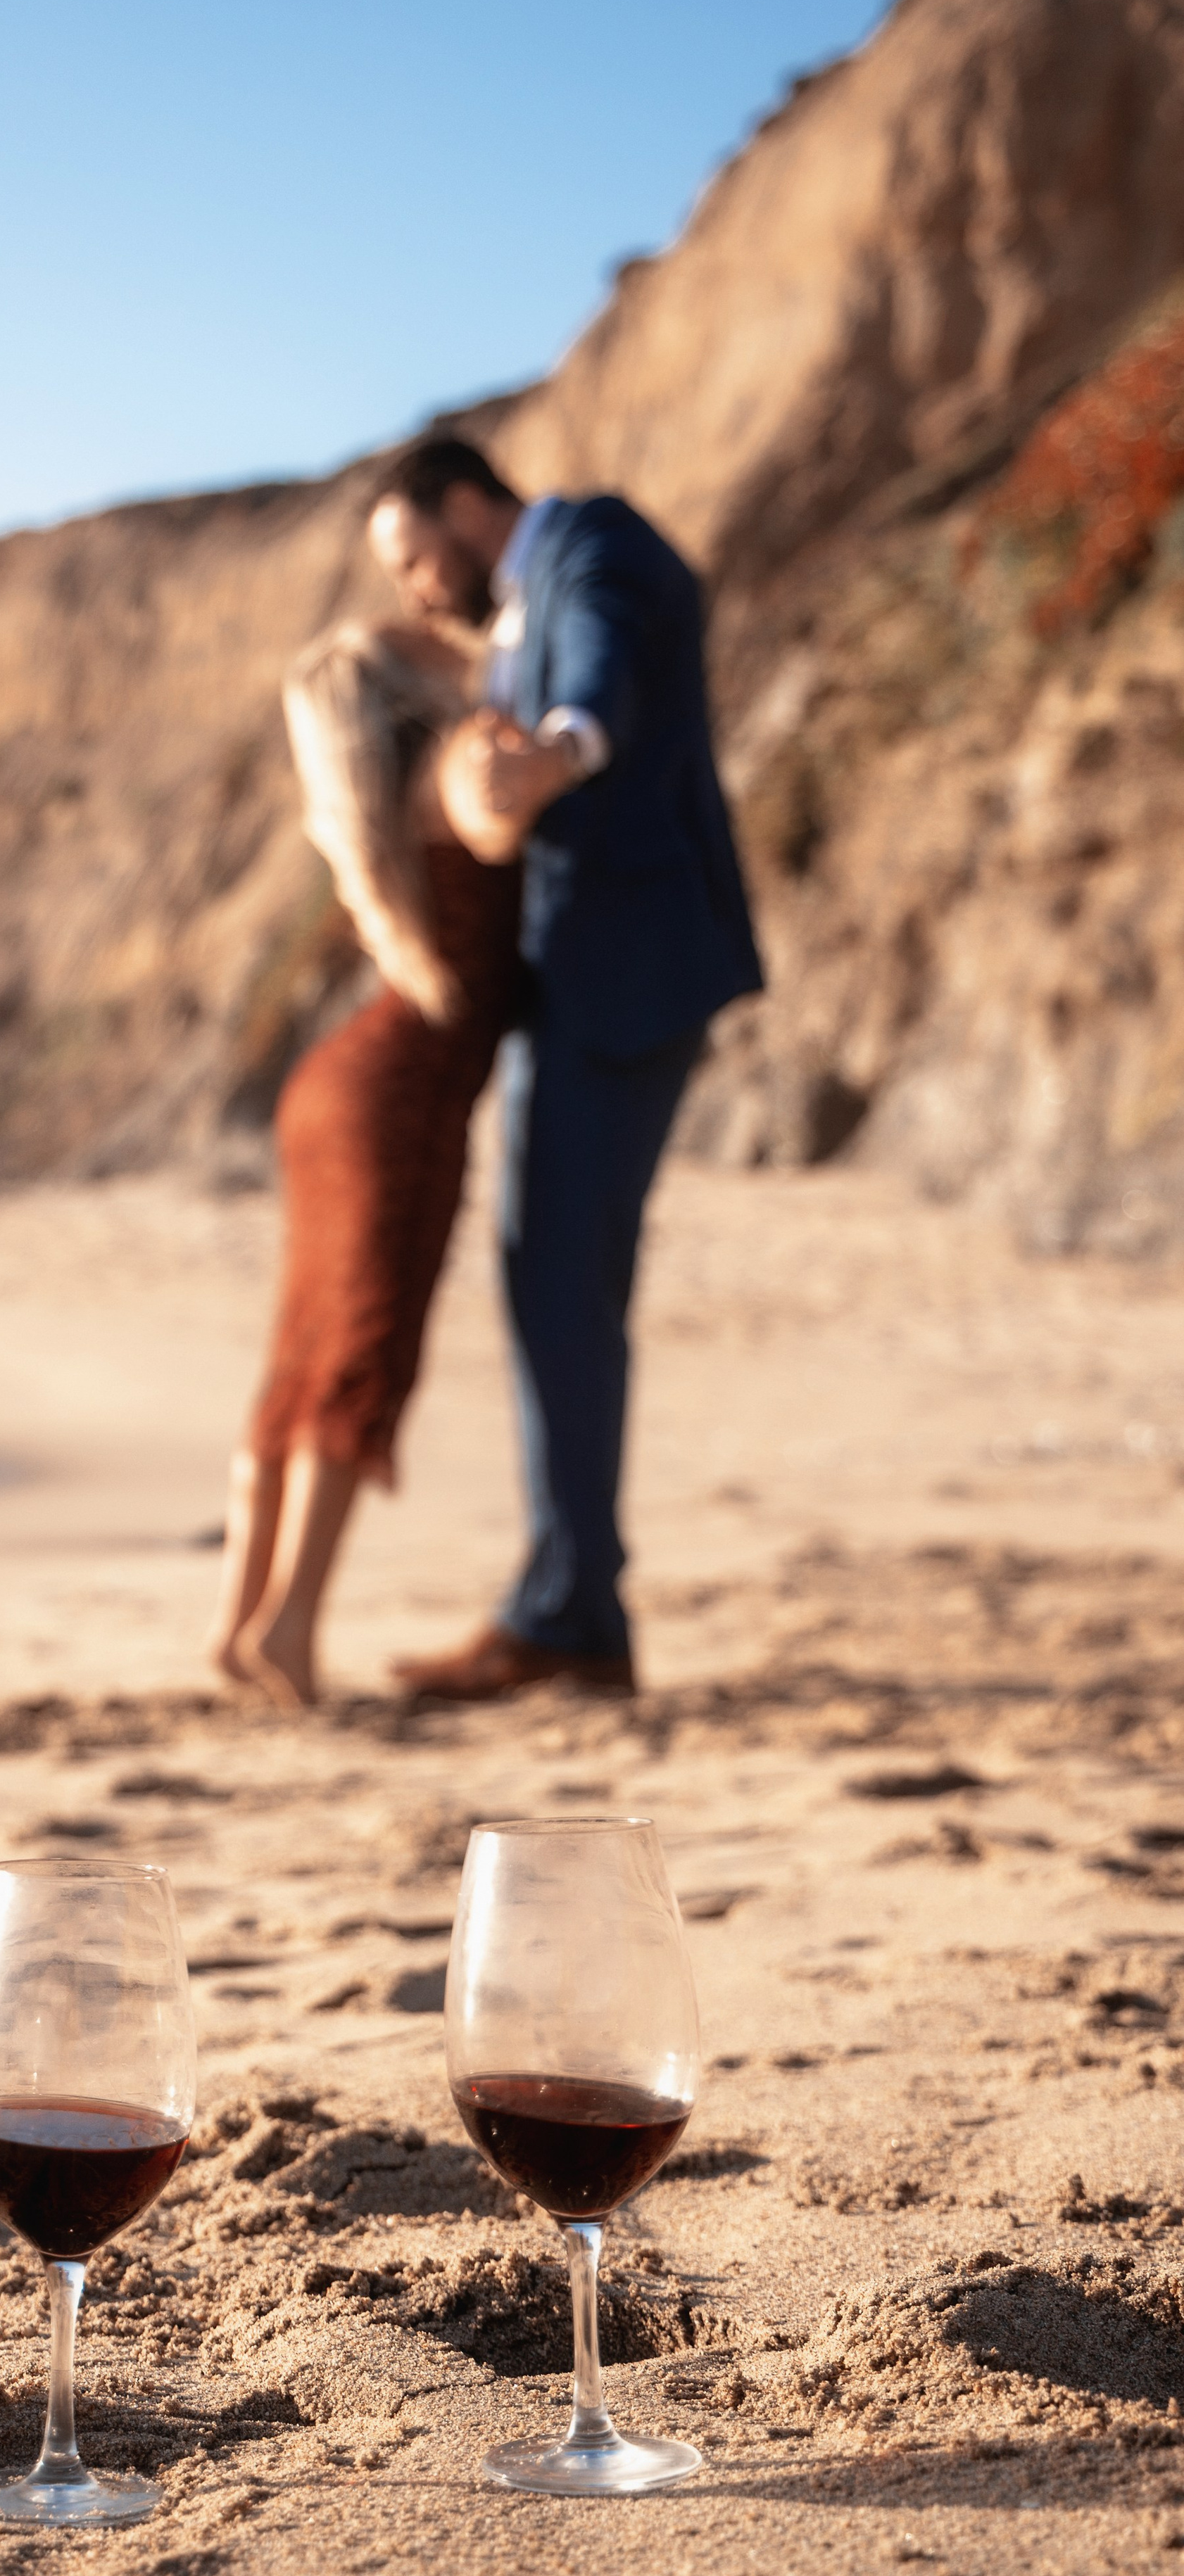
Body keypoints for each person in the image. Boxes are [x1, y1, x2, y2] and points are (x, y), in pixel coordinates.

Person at [367, 438, 763, 1701]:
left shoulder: (597, 548)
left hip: (624, 979)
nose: (421, 588)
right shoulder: (532, 598)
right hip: (594, 982)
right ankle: (569, 1599)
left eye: (419, 558)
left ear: (473, 510)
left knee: (559, 1281)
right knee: (561, 1284)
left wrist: (554, 754)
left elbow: (595, 693)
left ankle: (570, 1616)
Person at [206, 620, 527, 1708]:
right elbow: (505, 811)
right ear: (408, 686)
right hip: (397, 1096)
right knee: (360, 1355)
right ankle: (291, 1630)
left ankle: (242, 1623)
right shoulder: (461, 765)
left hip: (339, 1085)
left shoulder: (381, 808)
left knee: (302, 1355)